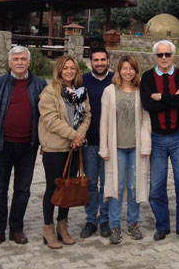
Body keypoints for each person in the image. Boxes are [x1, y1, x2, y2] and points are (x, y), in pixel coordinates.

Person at [0, 46, 47, 248]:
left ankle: (16, 228)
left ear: (29, 62)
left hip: (28, 146)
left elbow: (46, 117)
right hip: (2, 146)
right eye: (16, 59)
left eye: (23, 59)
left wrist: (44, 142)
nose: (19, 62)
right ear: (9, 62)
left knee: (22, 190)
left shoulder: (40, 84)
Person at [140, 40, 179, 241]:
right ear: (155, 57)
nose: (164, 58)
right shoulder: (147, 77)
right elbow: (147, 104)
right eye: (160, 55)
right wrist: (173, 98)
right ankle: (162, 226)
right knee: (156, 185)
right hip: (157, 137)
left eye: (167, 54)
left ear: (173, 56)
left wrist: (161, 97)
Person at [38, 55, 91, 249]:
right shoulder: (50, 92)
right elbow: (51, 120)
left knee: (68, 188)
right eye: (65, 68)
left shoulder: (81, 91)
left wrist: (79, 135)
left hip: (74, 148)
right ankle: (48, 228)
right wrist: (73, 135)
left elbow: (87, 115)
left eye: (72, 68)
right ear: (59, 70)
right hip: (55, 148)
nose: (69, 71)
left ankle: (62, 225)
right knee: (53, 188)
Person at [99, 55, 151, 244]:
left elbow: (146, 119)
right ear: (119, 70)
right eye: (124, 68)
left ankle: (133, 223)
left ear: (136, 71)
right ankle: (114, 225)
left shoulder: (140, 91)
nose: (128, 72)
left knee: (135, 186)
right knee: (116, 187)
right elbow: (104, 122)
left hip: (136, 148)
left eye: (131, 69)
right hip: (117, 148)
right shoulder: (109, 91)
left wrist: (146, 143)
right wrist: (104, 148)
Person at [79, 48, 114, 239]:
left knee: (107, 184)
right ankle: (91, 220)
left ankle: (105, 219)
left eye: (103, 59)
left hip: (110, 142)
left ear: (108, 60)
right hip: (89, 142)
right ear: (90, 62)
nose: (100, 63)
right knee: (91, 183)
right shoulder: (82, 81)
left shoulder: (116, 80)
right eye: (96, 60)